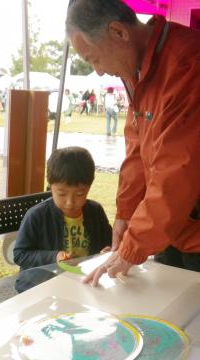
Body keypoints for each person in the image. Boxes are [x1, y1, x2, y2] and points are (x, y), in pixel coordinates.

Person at [66, 0, 200, 286]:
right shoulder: (136, 69)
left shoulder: (188, 61)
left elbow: (178, 168)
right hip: (172, 230)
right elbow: (137, 149)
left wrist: (134, 245)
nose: (98, 72)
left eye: (93, 59)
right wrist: (126, 214)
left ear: (118, 32)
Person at [13, 147, 112, 292]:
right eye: (61, 194)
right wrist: (54, 256)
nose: (70, 202)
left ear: (89, 188)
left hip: (84, 282)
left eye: (79, 194)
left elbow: (109, 243)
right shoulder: (36, 216)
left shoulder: (95, 211)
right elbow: (20, 254)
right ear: (50, 186)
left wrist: (107, 250)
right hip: (44, 285)